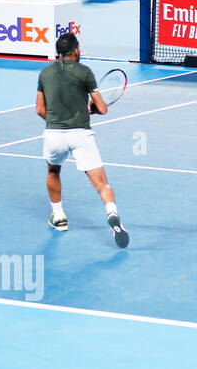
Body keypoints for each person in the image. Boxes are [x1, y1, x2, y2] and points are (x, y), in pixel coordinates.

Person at [36, 31, 129, 247]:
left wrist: (58, 119)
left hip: (54, 134)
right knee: (102, 184)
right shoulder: (85, 72)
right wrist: (92, 110)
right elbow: (103, 108)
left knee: (53, 171)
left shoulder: (45, 73)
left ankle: (58, 216)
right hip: (81, 135)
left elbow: (40, 109)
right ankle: (112, 213)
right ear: (76, 50)